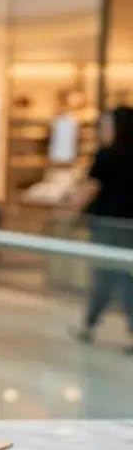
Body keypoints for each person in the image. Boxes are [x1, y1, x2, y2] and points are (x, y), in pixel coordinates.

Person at [75, 105, 133, 350]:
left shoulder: (107, 156)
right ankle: (91, 322)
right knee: (125, 276)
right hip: (129, 225)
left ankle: (90, 322)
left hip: (107, 224)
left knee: (107, 276)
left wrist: (72, 212)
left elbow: (91, 189)